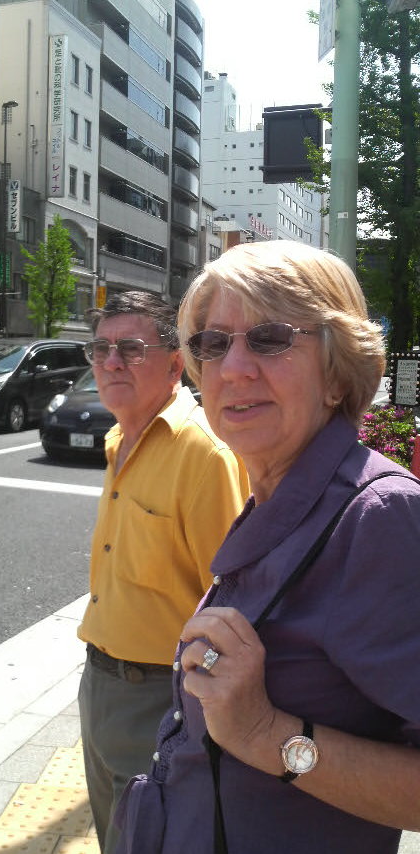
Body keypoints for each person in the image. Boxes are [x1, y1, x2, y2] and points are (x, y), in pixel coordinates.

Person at [114, 242, 420, 854]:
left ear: (337, 373)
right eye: (214, 343)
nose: (232, 369)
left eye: (271, 339)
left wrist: (264, 733)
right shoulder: (276, 494)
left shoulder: (377, 516)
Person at [77, 291, 249, 854]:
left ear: (175, 364)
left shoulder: (202, 452)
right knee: (114, 839)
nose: (110, 362)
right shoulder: (118, 439)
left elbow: (232, 600)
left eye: (129, 348)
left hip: (160, 698)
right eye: (100, 348)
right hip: (98, 685)